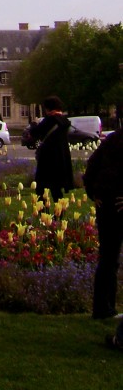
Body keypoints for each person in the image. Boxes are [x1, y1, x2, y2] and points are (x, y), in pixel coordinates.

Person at [82, 129, 123, 328]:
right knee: (109, 259)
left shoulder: (114, 139)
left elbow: (92, 165)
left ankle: (104, 308)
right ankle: (105, 307)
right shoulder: (115, 140)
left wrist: (93, 192)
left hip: (106, 204)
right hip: (112, 203)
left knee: (108, 258)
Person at [29, 95, 74, 201]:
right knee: (56, 189)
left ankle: (43, 214)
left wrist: (34, 123)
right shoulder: (64, 121)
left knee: (41, 189)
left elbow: (35, 132)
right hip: (61, 157)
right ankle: (60, 213)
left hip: (48, 158)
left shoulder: (50, 120)